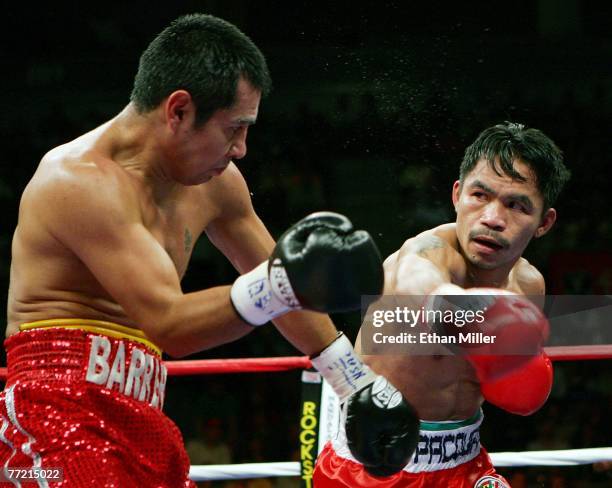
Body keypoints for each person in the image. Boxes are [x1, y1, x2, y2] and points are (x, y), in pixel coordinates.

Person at [0, 14, 418, 487]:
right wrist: (283, 282)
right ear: (178, 110)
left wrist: (352, 382)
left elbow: (271, 274)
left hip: (143, 415)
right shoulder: (76, 181)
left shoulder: (215, 185)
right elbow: (170, 324)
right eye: (234, 128)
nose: (241, 148)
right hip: (56, 415)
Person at [314, 121, 571, 487]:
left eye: (516, 205)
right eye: (479, 196)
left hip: (466, 460)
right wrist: (484, 316)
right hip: (375, 470)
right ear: (456, 195)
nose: (492, 219)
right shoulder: (423, 255)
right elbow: (420, 288)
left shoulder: (530, 285)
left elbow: (512, 389)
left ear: (544, 222)